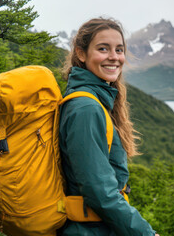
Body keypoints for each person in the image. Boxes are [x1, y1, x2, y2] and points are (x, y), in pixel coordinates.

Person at [59, 17, 159, 236]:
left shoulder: (95, 101)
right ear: (81, 53)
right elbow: (99, 191)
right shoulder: (86, 108)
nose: (114, 57)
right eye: (103, 49)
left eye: (119, 50)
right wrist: (145, 233)